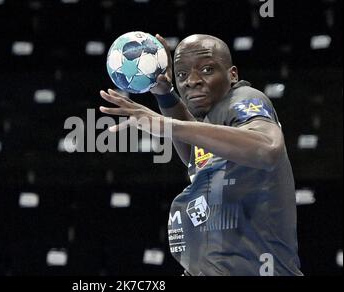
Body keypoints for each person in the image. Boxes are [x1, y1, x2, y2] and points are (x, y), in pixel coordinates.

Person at [99, 33, 303, 276]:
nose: (191, 81)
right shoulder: (214, 120)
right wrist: (164, 93)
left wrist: (168, 125)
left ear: (233, 74)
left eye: (206, 69)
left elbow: (267, 148)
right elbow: (196, 157)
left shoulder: (243, 99)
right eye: (183, 74)